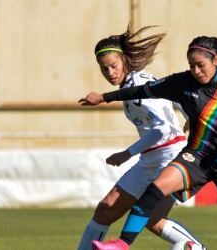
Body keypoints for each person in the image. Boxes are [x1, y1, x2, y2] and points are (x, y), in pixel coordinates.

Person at [81, 36, 217, 250]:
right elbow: (148, 91)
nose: (196, 71)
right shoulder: (182, 81)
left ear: (215, 60)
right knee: (150, 190)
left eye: (201, 65)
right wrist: (104, 97)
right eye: (192, 66)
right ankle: (122, 244)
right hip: (197, 157)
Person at [77, 24, 207, 250]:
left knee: (153, 219)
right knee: (106, 209)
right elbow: (174, 96)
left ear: (125, 60)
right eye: (104, 69)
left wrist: (127, 153)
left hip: (171, 156)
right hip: (150, 158)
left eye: (114, 66)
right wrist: (189, 115)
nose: (110, 73)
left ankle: (197, 248)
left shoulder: (137, 85)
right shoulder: (134, 81)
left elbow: (162, 130)